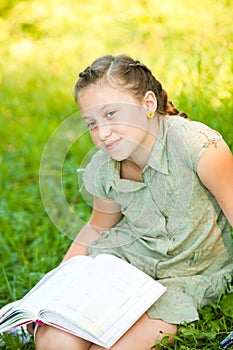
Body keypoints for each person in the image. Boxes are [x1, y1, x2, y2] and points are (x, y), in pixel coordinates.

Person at [35, 54, 233, 350]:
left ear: (148, 104)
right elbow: (97, 227)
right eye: (91, 123)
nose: (102, 133)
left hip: (187, 276)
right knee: (55, 339)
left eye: (112, 114)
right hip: (128, 265)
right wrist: (56, 289)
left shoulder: (199, 146)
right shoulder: (103, 167)